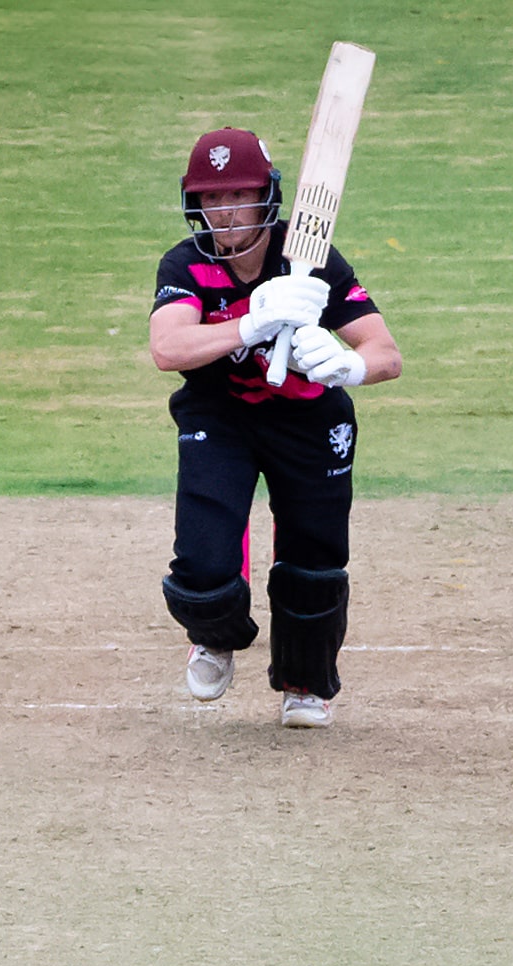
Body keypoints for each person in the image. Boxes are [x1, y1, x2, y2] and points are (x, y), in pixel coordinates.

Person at [148, 128, 403, 729]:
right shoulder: (185, 263)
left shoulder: (312, 260)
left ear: (268, 195)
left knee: (314, 560)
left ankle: (303, 684)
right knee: (205, 565)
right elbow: (167, 347)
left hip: (310, 422)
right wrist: (252, 323)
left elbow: (387, 352)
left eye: (239, 195)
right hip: (221, 417)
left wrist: (349, 366)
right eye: (212, 199)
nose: (225, 211)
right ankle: (215, 637)